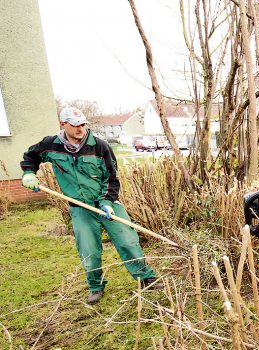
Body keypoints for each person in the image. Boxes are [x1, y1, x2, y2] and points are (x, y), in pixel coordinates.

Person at [21, 107, 163, 305]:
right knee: (89, 250)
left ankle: (146, 277)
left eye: (83, 124)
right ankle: (95, 286)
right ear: (63, 124)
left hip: (107, 203)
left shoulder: (99, 146)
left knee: (128, 241)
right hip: (80, 208)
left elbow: (112, 178)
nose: (81, 128)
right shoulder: (50, 145)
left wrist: (107, 202)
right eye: (75, 125)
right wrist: (29, 172)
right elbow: (31, 156)